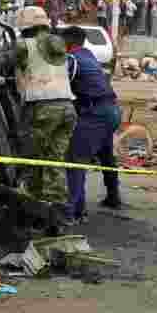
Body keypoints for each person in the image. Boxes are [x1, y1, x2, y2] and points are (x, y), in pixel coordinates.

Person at [0, 6, 76, 231]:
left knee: (33, 162)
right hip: (66, 108)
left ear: (25, 26)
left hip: (42, 109)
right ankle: (59, 218)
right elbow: (39, 72)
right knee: (54, 163)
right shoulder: (57, 44)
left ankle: (37, 215)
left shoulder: (23, 45)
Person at [63, 26, 122, 223]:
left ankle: (73, 213)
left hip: (96, 113)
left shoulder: (72, 59)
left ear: (67, 43)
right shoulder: (89, 55)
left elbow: (61, 84)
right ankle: (113, 196)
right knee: (106, 154)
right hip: (111, 110)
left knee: (75, 160)